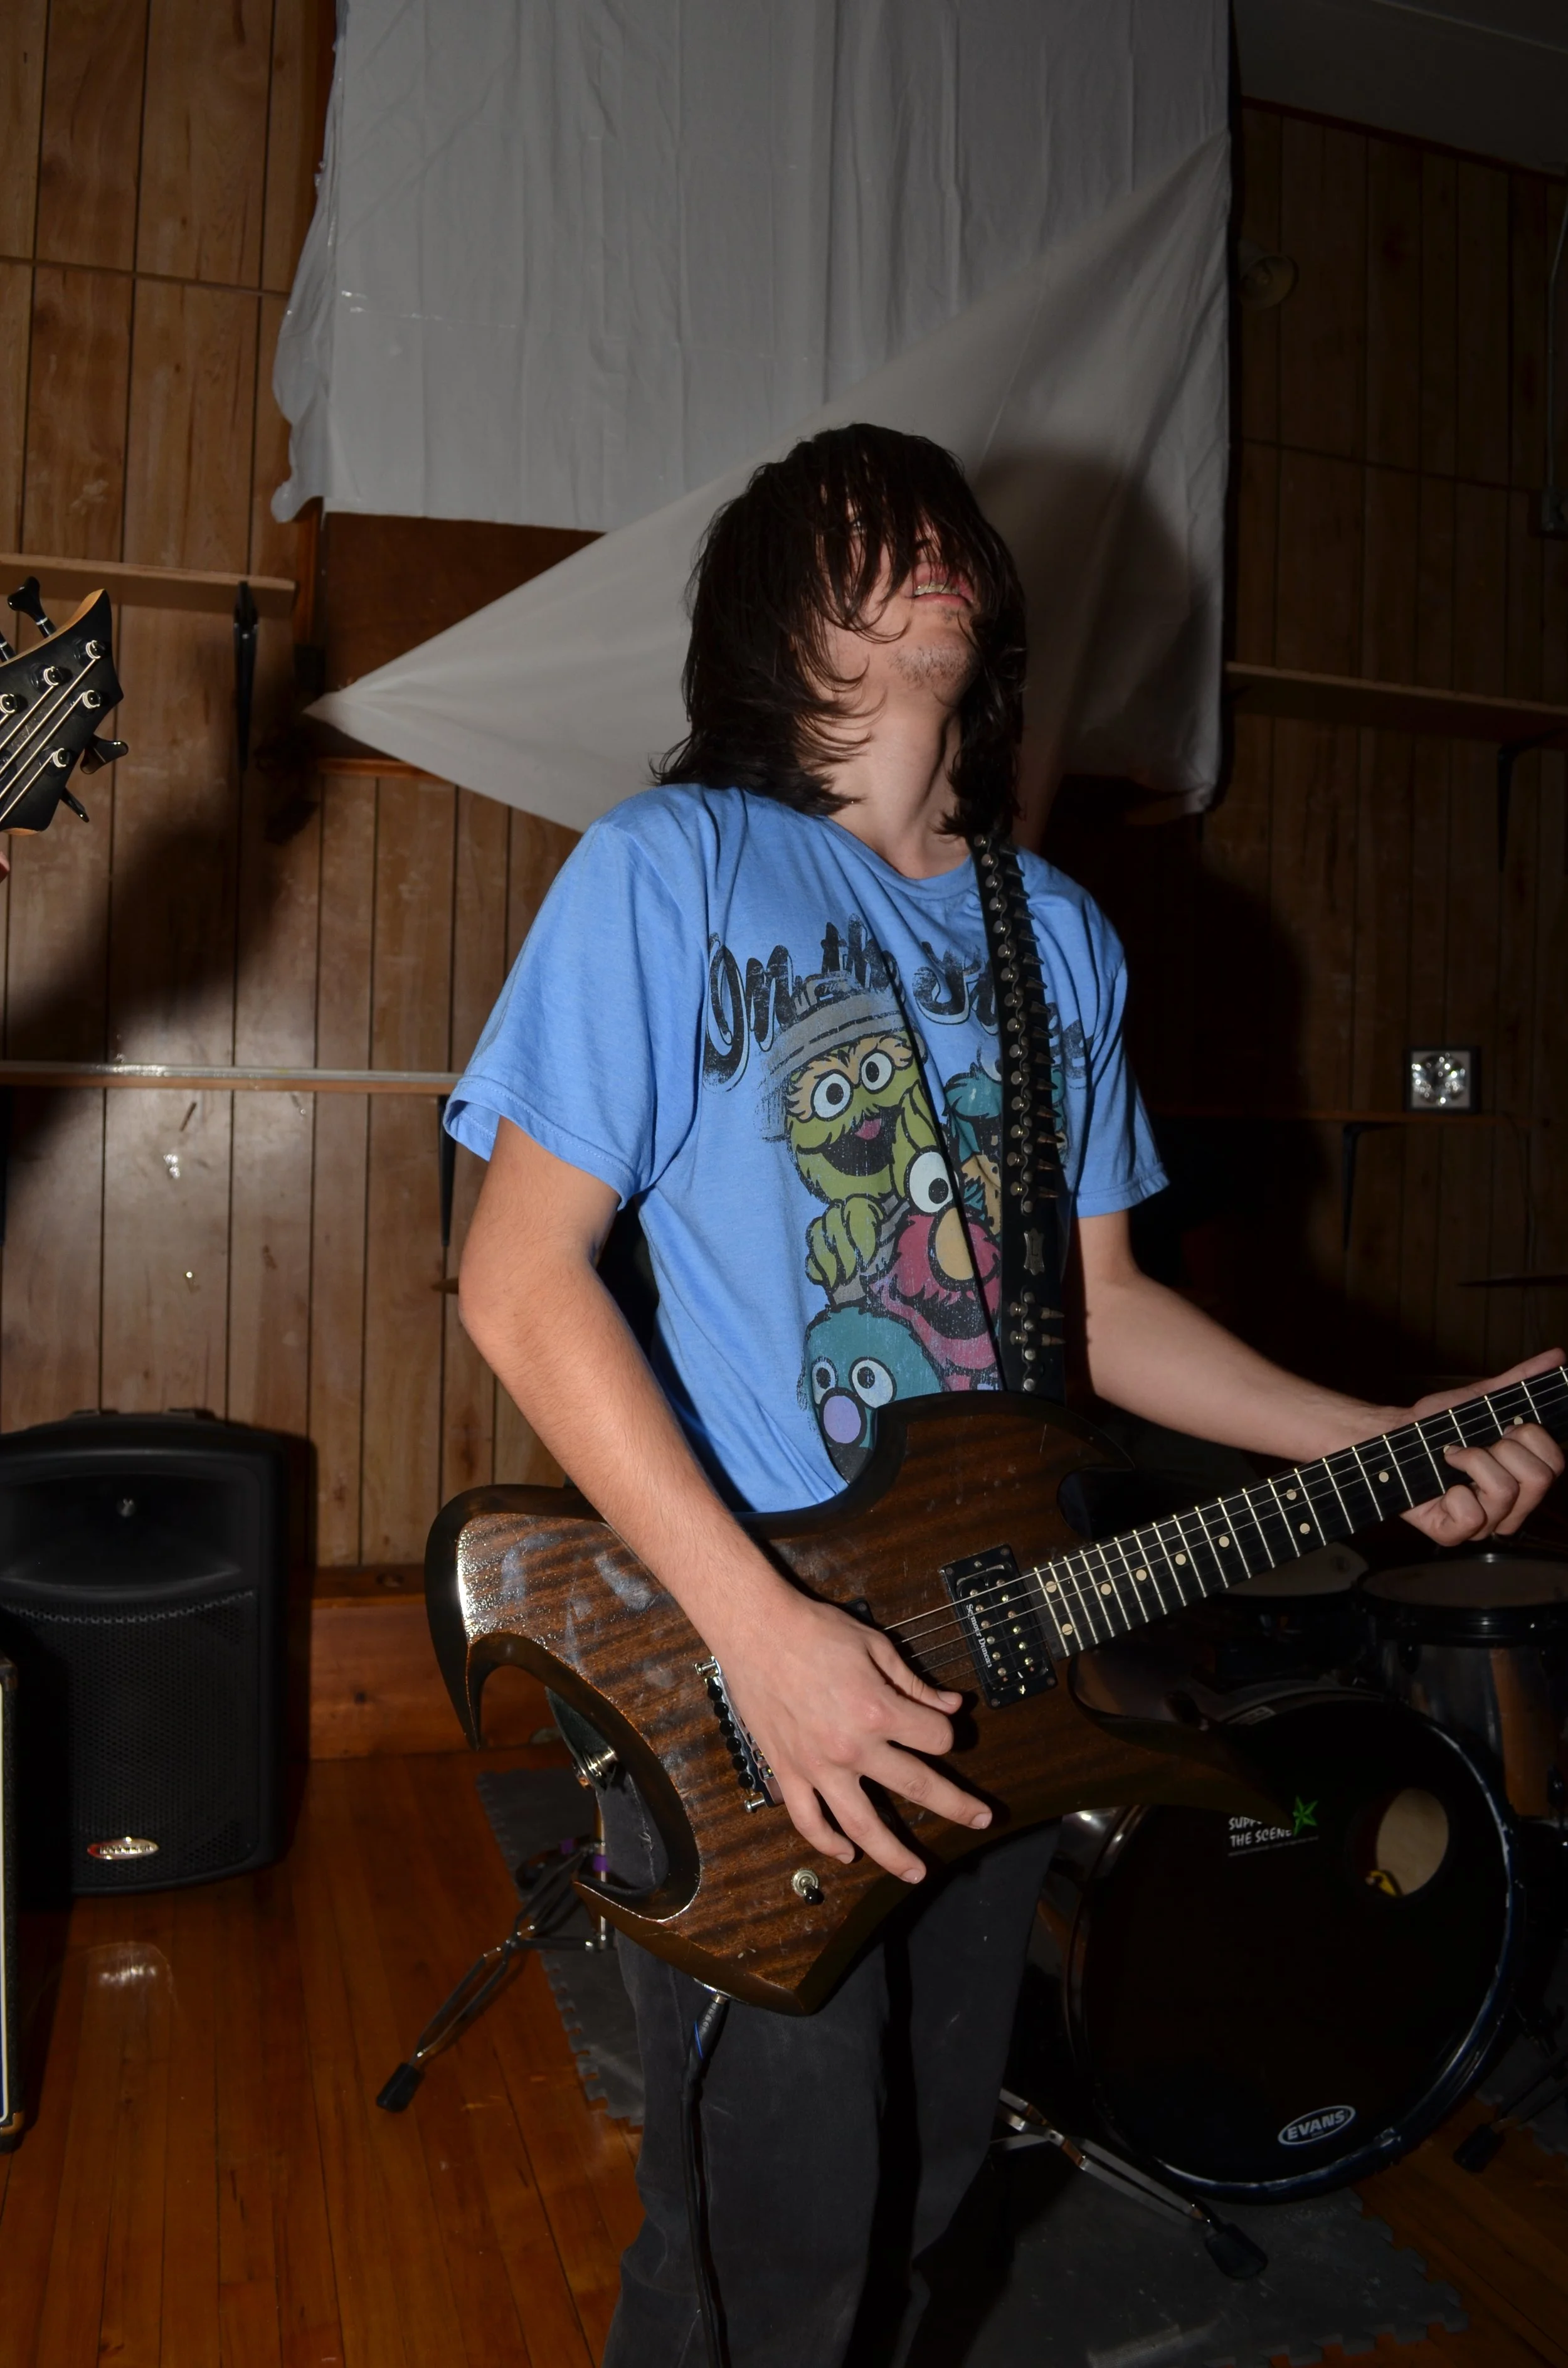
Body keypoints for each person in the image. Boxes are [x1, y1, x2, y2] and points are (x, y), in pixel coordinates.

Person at [444, 423, 1563, 2367]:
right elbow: (515, 1278)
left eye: (942, 524)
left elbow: (1101, 1314)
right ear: (769, 611)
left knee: (926, 2196)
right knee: (766, 2248)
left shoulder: (1049, 933)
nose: (927, 546)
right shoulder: (669, 865)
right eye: (861, 527)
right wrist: (762, 1634)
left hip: (1007, 1656)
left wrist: (1377, 1444)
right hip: (751, 1673)